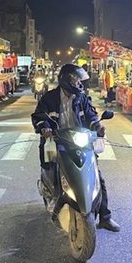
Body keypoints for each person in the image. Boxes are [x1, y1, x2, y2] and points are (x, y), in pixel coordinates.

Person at [32, 64, 120, 232]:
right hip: (58, 141)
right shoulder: (49, 98)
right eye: (76, 80)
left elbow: (91, 115)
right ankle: (54, 200)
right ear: (66, 80)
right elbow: (38, 116)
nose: (79, 83)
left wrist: (98, 125)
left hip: (80, 141)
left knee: (97, 176)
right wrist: (44, 128)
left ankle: (105, 217)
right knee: (53, 170)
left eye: (79, 80)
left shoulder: (82, 98)